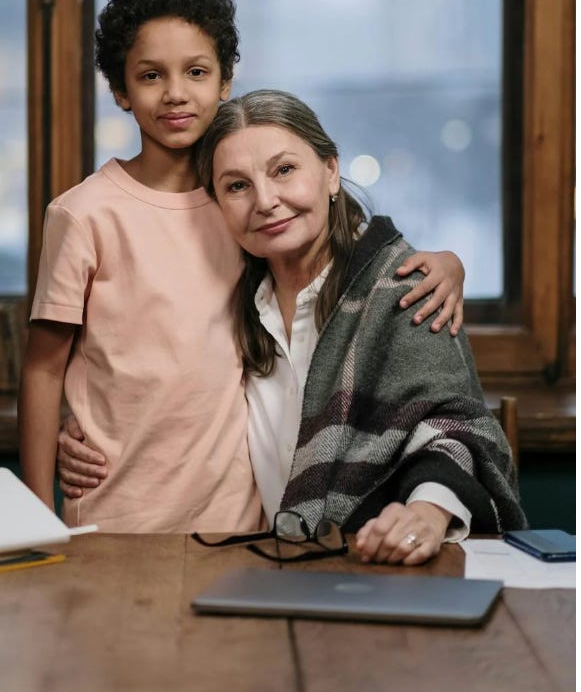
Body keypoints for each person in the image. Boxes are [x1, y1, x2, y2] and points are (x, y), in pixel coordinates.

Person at [20, 0, 466, 535]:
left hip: (238, 524)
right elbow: (45, 367)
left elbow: (351, 263)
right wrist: (36, 517)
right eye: (151, 75)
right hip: (116, 515)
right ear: (120, 90)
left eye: (196, 72)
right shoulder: (84, 214)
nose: (175, 92)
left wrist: (448, 263)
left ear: (225, 80)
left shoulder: (242, 206)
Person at [195, 90, 525, 563]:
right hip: (263, 565)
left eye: (284, 170)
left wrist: (427, 513)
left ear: (331, 171)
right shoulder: (226, 304)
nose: (265, 201)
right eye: (237, 186)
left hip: (380, 566)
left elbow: (454, 425)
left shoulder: (404, 286)